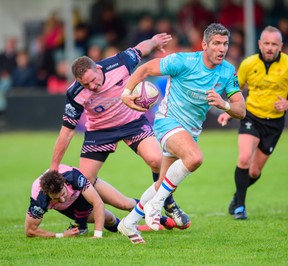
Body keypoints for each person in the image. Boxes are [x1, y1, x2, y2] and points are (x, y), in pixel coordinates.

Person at [118, 23, 246, 244]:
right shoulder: (184, 61)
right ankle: (157, 205)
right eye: (216, 43)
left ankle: (128, 223)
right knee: (195, 158)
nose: (221, 49)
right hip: (167, 122)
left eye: (225, 44)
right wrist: (127, 92)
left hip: (190, 131)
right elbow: (145, 69)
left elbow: (241, 110)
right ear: (204, 45)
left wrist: (224, 104)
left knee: (162, 184)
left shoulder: (227, 71)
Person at [49, 33, 190, 229]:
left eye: (93, 80)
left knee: (157, 160)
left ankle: (168, 203)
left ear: (98, 68)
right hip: (100, 131)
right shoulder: (75, 93)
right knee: (84, 180)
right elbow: (66, 132)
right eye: (85, 84)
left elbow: (142, 47)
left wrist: (155, 42)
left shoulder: (119, 63)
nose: (92, 86)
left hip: (131, 122)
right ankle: (100, 220)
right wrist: (54, 166)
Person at [218, 26, 288, 220]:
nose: (270, 47)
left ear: (281, 46)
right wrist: (229, 110)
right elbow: (237, 88)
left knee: (254, 171)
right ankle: (240, 208)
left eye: (274, 44)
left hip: (274, 124)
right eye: (266, 43)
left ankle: (238, 195)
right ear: (260, 44)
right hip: (251, 117)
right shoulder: (248, 63)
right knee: (244, 159)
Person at [25, 164, 118, 238]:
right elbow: (30, 231)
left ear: (64, 184)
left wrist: (97, 235)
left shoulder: (72, 176)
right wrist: (61, 235)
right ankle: (81, 226)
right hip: (66, 208)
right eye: (56, 199)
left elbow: (98, 202)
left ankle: (128, 223)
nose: (62, 200)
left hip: (81, 194)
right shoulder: (39, 198)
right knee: (108, 218)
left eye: (62, 194)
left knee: (118, 210)